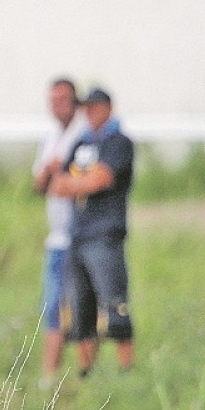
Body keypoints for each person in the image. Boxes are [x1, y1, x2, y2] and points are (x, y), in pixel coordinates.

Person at [49, 87, 135, 376]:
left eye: (95, 107)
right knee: (79, 308)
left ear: (108, 108)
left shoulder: (118, 142)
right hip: (78, 235)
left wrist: (80, 182)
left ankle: (126, 370)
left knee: (115, 303)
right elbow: (58, 184)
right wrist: (85, 181)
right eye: (86, 107)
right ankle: (85, 371)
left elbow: (102, 179)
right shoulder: (81, 143)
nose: (89, 112)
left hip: (105, 235)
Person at [31, 77, 85, 388]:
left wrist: (60, 178)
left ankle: (83, 372)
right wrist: (49, 173)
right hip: (57, 237)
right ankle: (50, 376)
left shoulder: (84, 134)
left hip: (81, 236)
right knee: (52, 306)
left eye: (63, 99)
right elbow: (40, 184)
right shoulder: (51, 136)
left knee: (81, 305)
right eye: (53, 100)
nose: (57, 106)